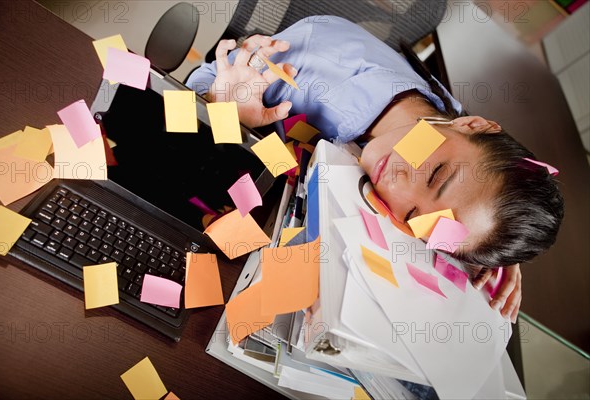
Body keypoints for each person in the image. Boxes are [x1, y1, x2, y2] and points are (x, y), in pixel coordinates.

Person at [186, 16, 564, 323]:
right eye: (434, 175)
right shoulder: (311, 71)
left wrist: (499, 242)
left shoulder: (446, 124)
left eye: (414, 217)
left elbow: (471, 183)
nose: (397, 187)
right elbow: (193, 82)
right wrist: (222, 108)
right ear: (472, 126)